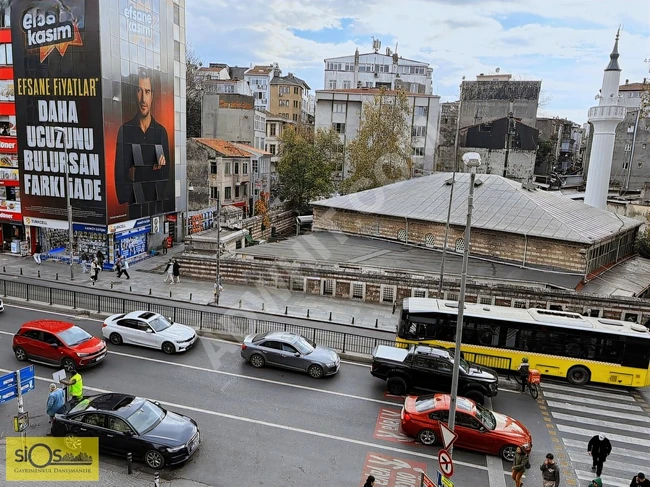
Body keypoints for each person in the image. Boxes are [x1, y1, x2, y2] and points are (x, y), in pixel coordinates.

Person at [115, 66, 172, 220]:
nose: (143, 99)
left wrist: (138, 173)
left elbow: (167, 176)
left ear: (152, 95)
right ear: (135, 93)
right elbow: (120, 175)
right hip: (134, 207)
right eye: (139, 91)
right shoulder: (125, 131)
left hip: (155, 206)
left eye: (147, 92)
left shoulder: (161, 132)